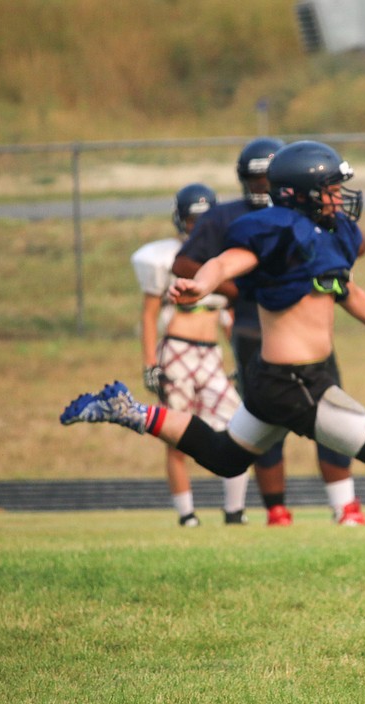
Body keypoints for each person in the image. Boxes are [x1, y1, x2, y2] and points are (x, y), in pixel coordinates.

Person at [61, 141, 365, 589]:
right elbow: (226, 261)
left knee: (226, 457)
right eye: (330, 188)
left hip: (281, 380)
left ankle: (132, 412)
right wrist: (201, 285)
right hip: (292, 382)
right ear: (299, 193)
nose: (340, 196)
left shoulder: (329, 235)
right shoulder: (278, 232)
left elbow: (348, 293)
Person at [172, 137, 365, 528]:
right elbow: (195, 263)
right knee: (264, 426)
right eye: (256, 179)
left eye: (268, 178)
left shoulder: (316, 219)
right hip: (254, 330)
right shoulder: (235, 220)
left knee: (331, 413)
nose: (262, 186)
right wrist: (238, 290)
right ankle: (276, 507)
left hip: (305, 334)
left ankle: (344, 506)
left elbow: (353, 251)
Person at [131, 183, 250, 527]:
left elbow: (229, 317)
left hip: (210, 354)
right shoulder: (167, 259)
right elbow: (149, 315)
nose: (197, 227)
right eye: (191, 220)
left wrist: (240, 358)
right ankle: (187, 515)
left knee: (239, 430)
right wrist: (150, 363)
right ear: (180, 221)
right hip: (178, 352)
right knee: (177, 436)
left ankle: (235, 511)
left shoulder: (223, 260)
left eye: (204, 219)